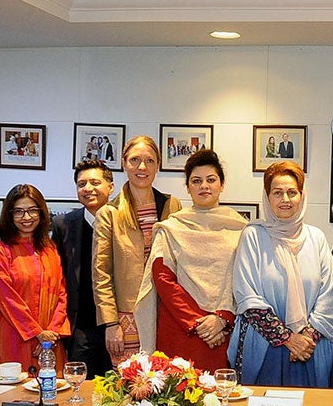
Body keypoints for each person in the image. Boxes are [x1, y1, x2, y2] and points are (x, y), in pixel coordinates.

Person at [228, 161, 333, 387]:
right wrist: (288, 339)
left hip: (310, 349)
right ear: (268, 197)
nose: (285, 200)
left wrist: (305, 339)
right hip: (264, 348)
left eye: (292, 192)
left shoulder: (316, 238)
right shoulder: (253, 236)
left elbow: (328, 294)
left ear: (302, 195)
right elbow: (247, 296)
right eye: (277, 193)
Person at [136, 150, 247, 367]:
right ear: (188, 187)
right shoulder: (171, 228)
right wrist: (196, 321)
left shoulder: (241, 229)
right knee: (181, 393)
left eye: (211, 180)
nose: (204, 186)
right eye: (196, 181)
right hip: (181, 329)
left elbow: (245, 278)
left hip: (225, 330)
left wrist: (222, 318)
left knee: (224, 394)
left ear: (221, 185)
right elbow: (163, 278)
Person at [94, 135, 182, 366]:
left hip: (166, 315)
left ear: (158, 165)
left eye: (149, 161)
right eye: (135, 160)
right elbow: (100, 274)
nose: (142, 167)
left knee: (169, 385)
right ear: (124, 163)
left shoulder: (173, 206)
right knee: (132, 388)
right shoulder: (108, 214)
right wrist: (111, 324)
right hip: (127, 319)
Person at [0, 184, 70, 369]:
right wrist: (37, 333)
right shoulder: (1, 251)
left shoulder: (50, 249)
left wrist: (51, 332)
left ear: (41, 212)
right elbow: (6, 299)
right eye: (18, 211)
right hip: (16, 337)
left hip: (51, 341)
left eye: (32, 210)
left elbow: (61, 294)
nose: (26, 217)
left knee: (53, 390)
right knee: (17, 392)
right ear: (9, 216)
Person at [51, 160, 115, 377]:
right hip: (80, 325)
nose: (88, 188)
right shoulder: (63, 224)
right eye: (82, 184)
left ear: (111, 187)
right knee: (80, 387)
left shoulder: (124, 221)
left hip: (116, 325)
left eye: (95, 182)